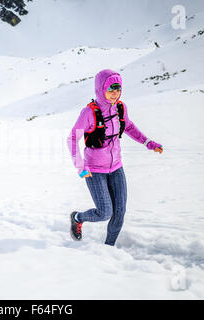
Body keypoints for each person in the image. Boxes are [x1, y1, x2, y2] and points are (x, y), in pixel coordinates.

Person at [66, 69, 163, 246]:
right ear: (100, 89)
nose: (114, 94)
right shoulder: (89, 113)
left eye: (118, 89)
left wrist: (149, 142)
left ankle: (108, 248)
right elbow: (73, 138)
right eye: (110, 89)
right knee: (104, 213)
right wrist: (80, 167)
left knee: (120, 212)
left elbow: (129, 127)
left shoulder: (120, 108)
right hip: (94, 170)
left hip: (116, 167)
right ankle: (78, 217)